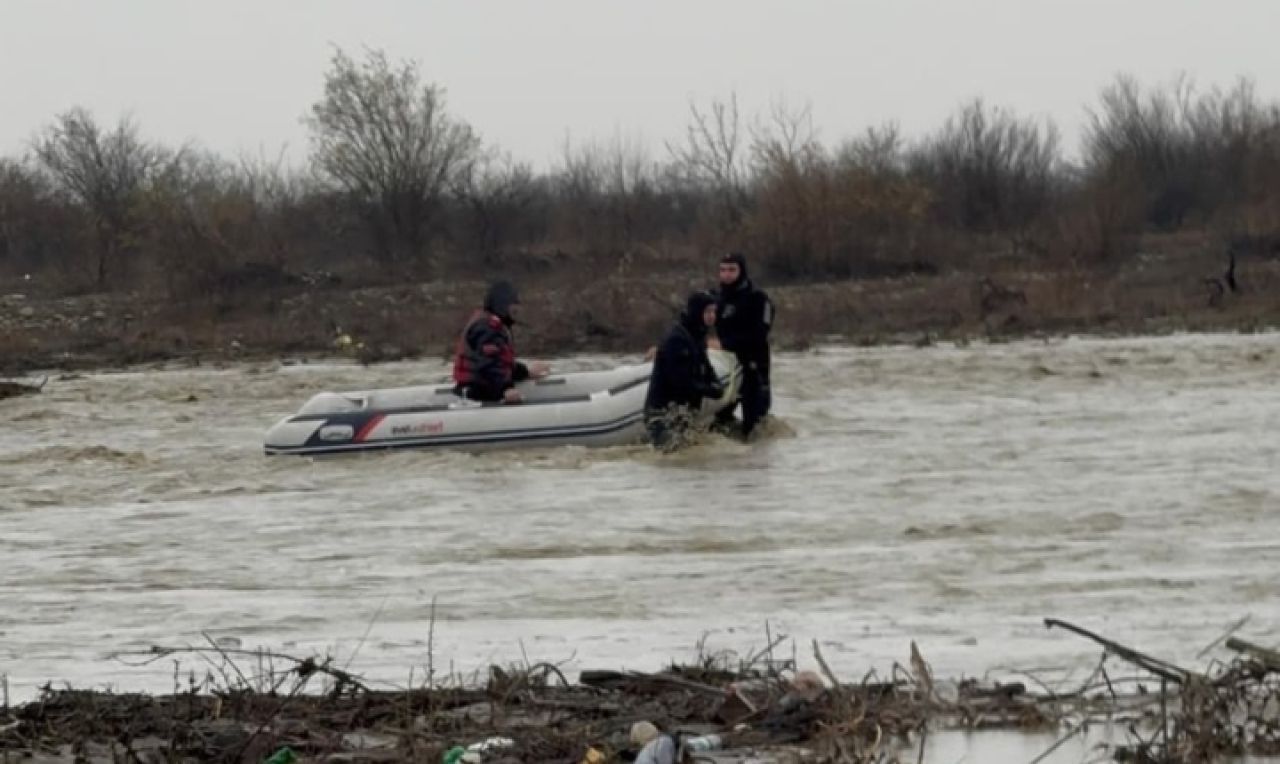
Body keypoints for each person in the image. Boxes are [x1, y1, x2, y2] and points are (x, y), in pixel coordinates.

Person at [643, 291, 724, 451]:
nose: (712, 316)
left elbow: (707, 369)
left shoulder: (697, 338)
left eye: (714, 311)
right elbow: (681, 383)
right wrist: (709, 390)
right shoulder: (676, 340)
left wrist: (717, 387)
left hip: (683, 412)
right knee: (674, 456)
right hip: (663, 414)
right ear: (697, 312)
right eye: (707, 312)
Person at [451, 280, 548, 404]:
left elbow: (501, 362)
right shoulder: (487, 327)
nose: (516, 310)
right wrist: (505, 389)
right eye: (513, 305)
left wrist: (525, 372)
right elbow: (489, 365)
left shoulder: (494, 326)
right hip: (475, 390)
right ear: (502, 305)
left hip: (484, 386)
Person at [713, 252, 774, 438]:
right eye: (723, 270)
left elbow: (759, 334)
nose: (727, 274)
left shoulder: (759, 299)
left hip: (753, 369)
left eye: (732, 270)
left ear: (742, 271)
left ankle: (755, 463)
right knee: (717, 423)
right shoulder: (715, 299)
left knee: (754, 426)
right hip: (725, 371)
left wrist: (723, 343)